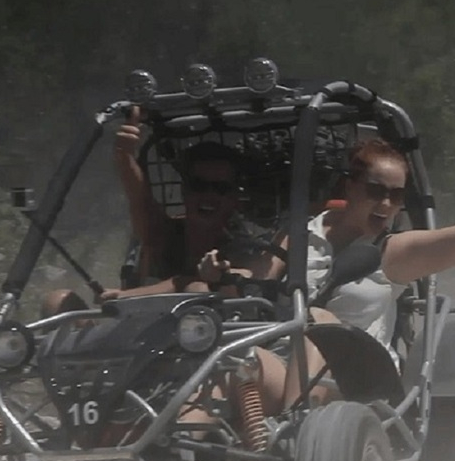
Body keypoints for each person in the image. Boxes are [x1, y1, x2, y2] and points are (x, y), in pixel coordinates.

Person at [206, 136, 455, 414]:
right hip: (289, 364)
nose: (386, 204)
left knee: (319, 320)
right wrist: (219, 274)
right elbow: (252, 281)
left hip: (359, 379)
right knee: (227, 368)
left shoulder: (396, 251)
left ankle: (301, 435)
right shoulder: (298, 235)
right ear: (349, 186)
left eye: (396, 195)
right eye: (375, 190)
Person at [40, 108, 281, 317]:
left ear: (234, 200)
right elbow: (140, 198)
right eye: (198, 185)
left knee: (197, 291)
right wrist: (124, 156)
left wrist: (128, 295)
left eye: (220, 188)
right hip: (135, 338)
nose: (208, 195)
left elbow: (193, 283)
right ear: (184, 191)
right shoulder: (164, 234)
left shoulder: (243, 249)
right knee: (58, 301)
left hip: (207, 344)